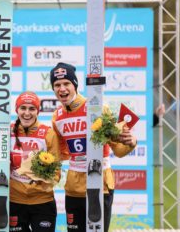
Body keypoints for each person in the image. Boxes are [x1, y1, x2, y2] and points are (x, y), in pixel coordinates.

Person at [49, 63, 137, 232]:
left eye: (66, 83)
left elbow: (118, 150)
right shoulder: (57, 117)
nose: (62, 89)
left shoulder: (97, 109)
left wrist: (131, 142)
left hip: (100, 184)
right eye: (57, 85)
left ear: (75, 85)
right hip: (73, 189)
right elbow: (63, 153)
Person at [9, 91, 63, 232]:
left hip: (42, 201)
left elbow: (56, 169)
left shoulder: (47, 133)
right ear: (17, 110)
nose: (27, 113)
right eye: (23, 108)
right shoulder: (7, 132)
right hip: (15, 201)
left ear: (38, 111)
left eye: (32, 109)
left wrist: (44, 182)